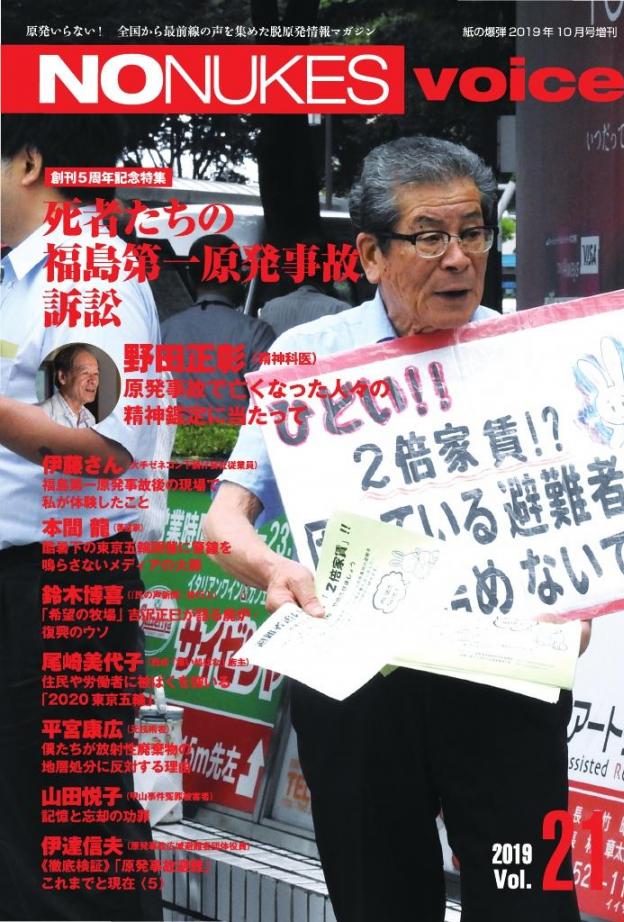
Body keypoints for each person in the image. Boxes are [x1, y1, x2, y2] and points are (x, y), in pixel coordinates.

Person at [204, 136, 591, 922]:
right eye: (429, 236)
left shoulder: (530, 356)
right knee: (380, 899)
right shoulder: (307, 358)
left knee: (528, 898)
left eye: (474, 232)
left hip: (504, 676)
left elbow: (576, 515)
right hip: (358, 683)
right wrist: (274, 571)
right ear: (371, 255)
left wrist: (578, 594)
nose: (459, 258)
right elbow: (223, 518)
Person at [0, 115, 164, 920]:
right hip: (22, 582)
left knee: (69, 826)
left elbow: (104, 446)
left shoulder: (89, 271)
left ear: (29, 160)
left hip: (60, 584)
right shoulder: (13, 276)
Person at [161, 233, 275, 420]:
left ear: (190, 277)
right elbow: (270, 402)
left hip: (175, 437)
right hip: (238, 438)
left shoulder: (164, 332)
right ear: (238, 275)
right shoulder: (256, 334)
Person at [39, 343, 99, 428]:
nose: (93, 380)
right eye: (85, 373)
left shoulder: (90, 419)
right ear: (62, 377)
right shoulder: (42, 415)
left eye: (96, 374)